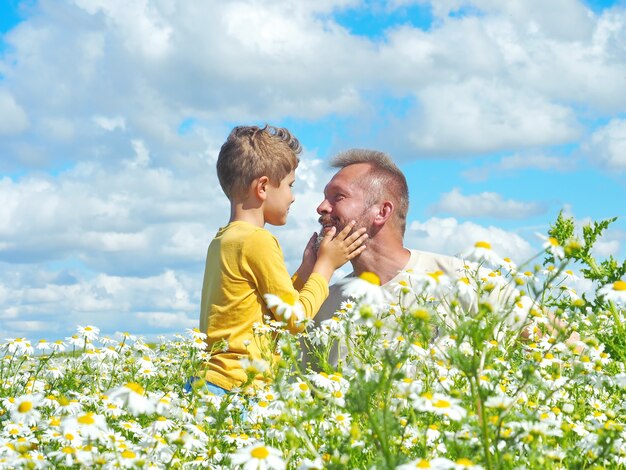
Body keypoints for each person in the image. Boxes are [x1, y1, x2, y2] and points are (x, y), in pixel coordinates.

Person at [305, 148, 579, 368]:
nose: (321, 207)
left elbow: (568, 345)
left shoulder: (464, 280)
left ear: (382, 212)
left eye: (337, 197)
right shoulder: (324, 305)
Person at [196, 125, 368, 395]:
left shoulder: (223, 240)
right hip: (238, 388)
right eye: (290, 185)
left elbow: (271, 307)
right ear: (263, 187)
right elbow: (294, 320)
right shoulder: (258, 240)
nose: (293, 196)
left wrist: (306, 269)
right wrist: (326, 266)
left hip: (211, 383)